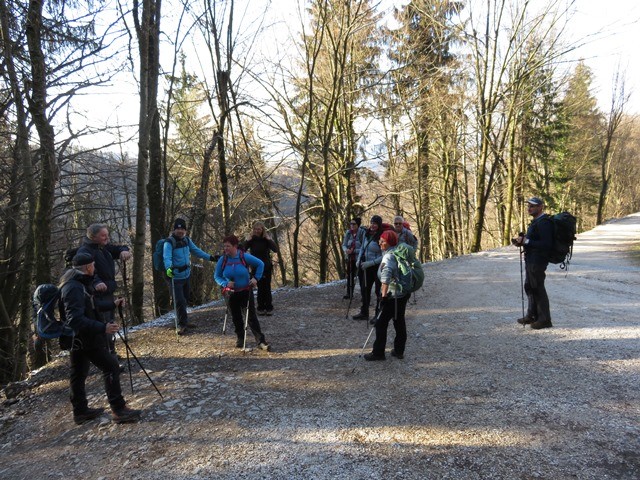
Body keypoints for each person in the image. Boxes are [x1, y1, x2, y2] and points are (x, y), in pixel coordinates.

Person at [60, 252, 141, 424]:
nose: (95, 268)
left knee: (78, 373)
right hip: (86, 338)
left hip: (78, 339)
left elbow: (92, 306)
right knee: (111, 366)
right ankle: (118, 410)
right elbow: (75, 319)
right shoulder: (74, 288)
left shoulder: (77, 283)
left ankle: (80, 411)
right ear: (88, 267)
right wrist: (102, 327)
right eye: (93, 265)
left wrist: (112, 304)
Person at [76, 223, 132, 358]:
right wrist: (97, 282)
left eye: (107, 235)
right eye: (103, 235)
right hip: (97, 295)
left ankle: (111, 351)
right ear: (93, 236)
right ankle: (105, 354)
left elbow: (119, 248)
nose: (107, 238)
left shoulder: (103, 247)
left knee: (110, 323)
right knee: (103, 324)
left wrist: (123, 250)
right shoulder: (85, 251)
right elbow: (84, 270)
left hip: (108, 292)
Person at [214, 235, 271, 351]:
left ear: (235, 246)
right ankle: (240, 338)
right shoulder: (223, 259)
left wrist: (256, 278)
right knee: (236, 316)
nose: (226, 249)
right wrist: (225, 283)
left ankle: (261, 341)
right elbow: (217, 276)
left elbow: (261, 264)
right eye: (224, 246)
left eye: (228, 246)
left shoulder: (243, 256)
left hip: (245, 291)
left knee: (251, 317)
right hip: (229, 293)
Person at [163, 218, 217, 335]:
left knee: (186, 298)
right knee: (179, 301)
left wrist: (211, 257)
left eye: (182, 229)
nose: (180, 231)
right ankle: (180, 325)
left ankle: (184, 321)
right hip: (175, 277)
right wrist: (169, 268)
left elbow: (196, 251)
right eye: (178, 229)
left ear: (185, 230)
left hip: (186, 275)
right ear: (174, 230)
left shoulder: (187, 240)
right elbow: (166, 257)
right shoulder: (169, 242)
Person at [364, 230, 411, 361]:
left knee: (380, 324)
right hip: (402, 294)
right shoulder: (399, 252)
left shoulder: (389, 256)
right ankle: (399, 350)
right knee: (399, 321)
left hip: (392, 296)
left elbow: (385, 278)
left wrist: (383, 297)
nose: (379, 243)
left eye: (382, 241)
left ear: (389, 242)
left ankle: (378, 353)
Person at [512, 196, 554, 329]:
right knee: (529, 286)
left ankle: (545, 320)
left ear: (540, 207)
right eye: (528, 206)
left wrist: (527, 242)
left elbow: (547, 244)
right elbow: (532, 241)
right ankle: (532, 315)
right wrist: (521, 241)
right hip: (531, 259)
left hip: (538, 260)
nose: (529, 208)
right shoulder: (536, 222)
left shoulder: (544, 222)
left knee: (537, 288)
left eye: (533, 206)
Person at [243, 222, 279, 315]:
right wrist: (247, 241)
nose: (257, 231)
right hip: (255, 267)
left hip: (266, 266)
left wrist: (269, 240)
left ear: (262, 230)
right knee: (260, 287)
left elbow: (275, 249)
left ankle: (269, 307)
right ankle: (260, 307)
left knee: (266, 287)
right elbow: (241, 250)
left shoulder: (266, 239)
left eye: (259, 229)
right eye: (255, 229)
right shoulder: (251, 240)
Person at [353, 215, 384, 321]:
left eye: (375, 223)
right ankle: (364, 312)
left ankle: (378, 314)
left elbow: (384, 255)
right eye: (371, 223)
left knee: (378, 291)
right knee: (364, 289)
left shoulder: (382, 237)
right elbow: (362, 247)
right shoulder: (366, 234)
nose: (372, 225)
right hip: (366, 266)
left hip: (377, 267)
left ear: (379, 225)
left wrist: (371, 263)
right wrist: (358, 260)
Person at [341, 217, 362, 300]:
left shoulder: (362, 233)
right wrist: (346, 250)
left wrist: (354, 251)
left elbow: (364, 247)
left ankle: (364, 295)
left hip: (359, 258)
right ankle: (349, 293)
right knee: (350, 276)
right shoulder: (348, 233)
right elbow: (344, 244)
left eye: (354, 224)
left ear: (358, 225)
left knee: (361, 277)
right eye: (351, 224)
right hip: (350, 258)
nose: (352, 225)